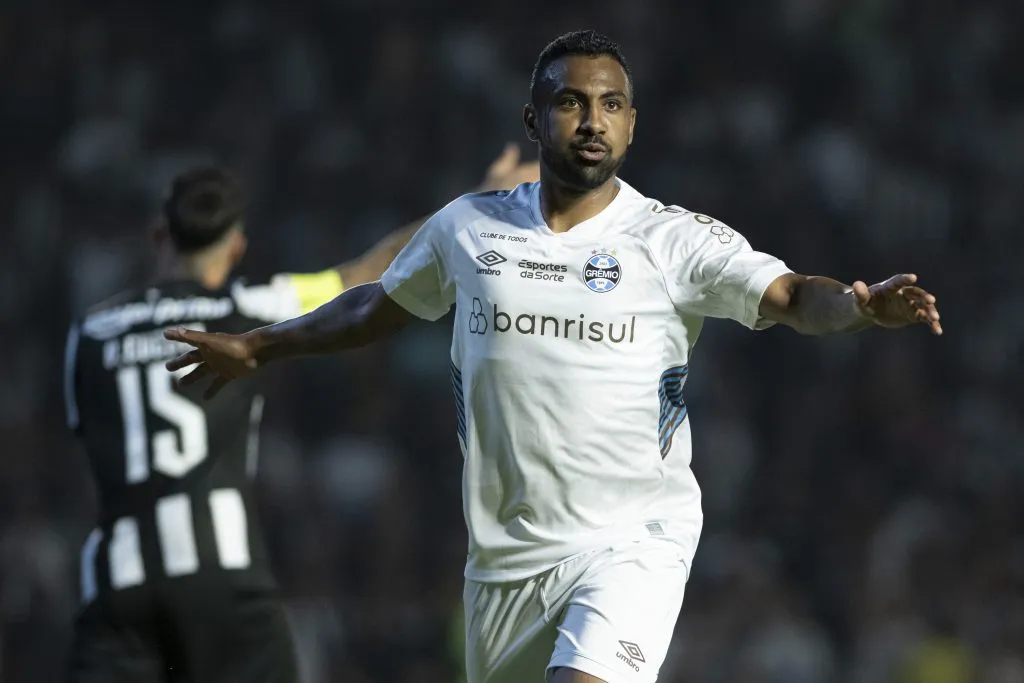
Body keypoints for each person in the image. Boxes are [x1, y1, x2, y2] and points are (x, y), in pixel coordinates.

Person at [164, 30, 943, 683]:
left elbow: (793, 295)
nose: (592, 121)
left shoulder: (673, 239)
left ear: (633, 124)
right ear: (534, 118)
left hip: (631, 540)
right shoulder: (468, 228)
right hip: (504, 565)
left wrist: (860, 306)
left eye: (609, 105)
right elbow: (378, 306)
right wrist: (260, 346)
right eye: (571, 102)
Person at [62, 147, 539, 683]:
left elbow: (87, 455)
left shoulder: (91, 332)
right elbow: (367, 272)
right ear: (237, 247)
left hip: (119, 580)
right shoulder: (246, 308)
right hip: (224, 578)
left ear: (158, 235)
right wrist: (477, 199)